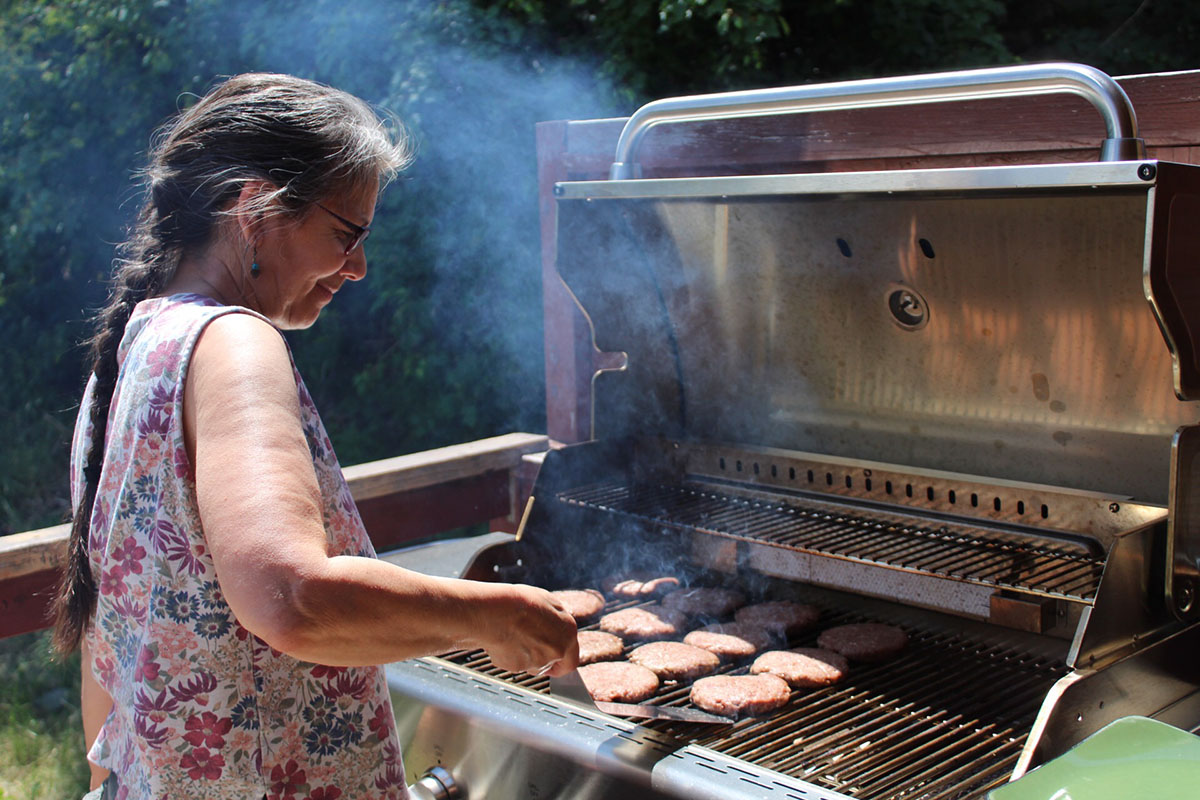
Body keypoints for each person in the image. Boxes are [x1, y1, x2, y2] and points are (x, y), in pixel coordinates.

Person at [51, 73, 579, 800]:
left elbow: (107, 628)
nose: (359, 267)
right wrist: (491, 617)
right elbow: (289, 597)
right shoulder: (233, 342)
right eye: (346, 234)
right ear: (254, 208)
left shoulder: (134, 346)